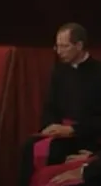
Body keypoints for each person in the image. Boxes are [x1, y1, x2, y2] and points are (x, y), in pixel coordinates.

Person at [19, 23, 101, 186]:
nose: (59, 51)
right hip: (60, 134)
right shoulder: (59, 71)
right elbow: (50, 106)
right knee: (28, 147)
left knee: (54, 153)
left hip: (87, 136)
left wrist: (73, 130)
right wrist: (50, 126)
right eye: (57, 46)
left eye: (64, 46)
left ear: (79, 46)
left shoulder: (98, 73)